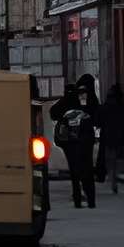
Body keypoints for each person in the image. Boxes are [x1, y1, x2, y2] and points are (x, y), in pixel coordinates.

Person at [53, 80, 101, 210]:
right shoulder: (91, 100)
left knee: (75, 171)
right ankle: (90, 200)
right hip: (85, 139)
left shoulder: (67, 99)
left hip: (70, 142)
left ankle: (78, 199)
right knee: (88, 169)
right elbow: (97, 117)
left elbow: (53, 113)